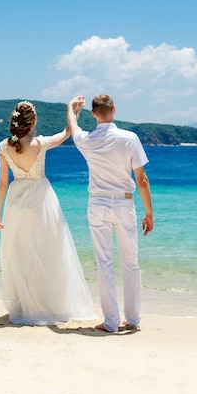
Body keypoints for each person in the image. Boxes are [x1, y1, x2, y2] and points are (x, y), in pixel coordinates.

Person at [0, 100, 95, 325]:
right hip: (41, 201)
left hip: (16, 203)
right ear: (33, 122)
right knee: (47, 251)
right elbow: (68, 132)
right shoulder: (41, 143)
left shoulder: (3, 147)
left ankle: (25, 303)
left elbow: (2, 183)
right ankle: (45, 303)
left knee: (22, 255)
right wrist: (73, 112)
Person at [67, 94, 154, 333]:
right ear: (114, 110)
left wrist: (72, 109)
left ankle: (111, 322)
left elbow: (73, 127)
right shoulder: (129, 138)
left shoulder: (86, 139)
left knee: (104, 263)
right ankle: (134, 319)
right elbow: (142, 179)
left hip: (98, 204)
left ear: (94, 113)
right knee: (131, 263)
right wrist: (149, 212)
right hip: (125, 204)